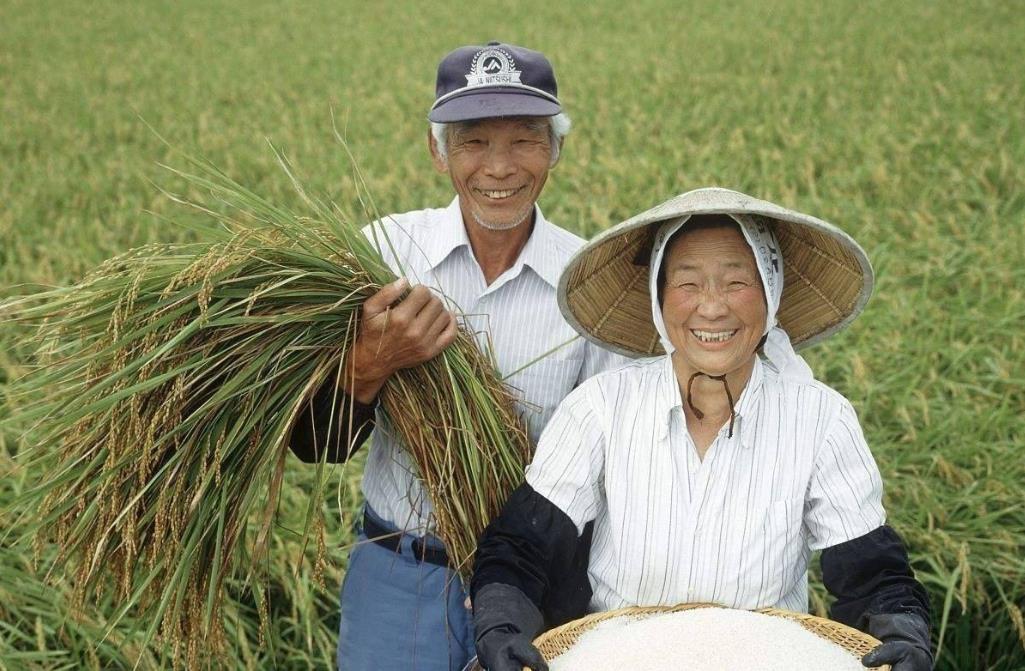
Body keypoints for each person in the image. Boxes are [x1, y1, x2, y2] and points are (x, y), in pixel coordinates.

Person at [471, 188, 934, 671]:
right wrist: (503, 621)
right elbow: (524, 545)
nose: (712, 309)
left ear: (770, 294)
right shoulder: (600, 407)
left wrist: (901, 628)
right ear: (659, 297)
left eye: (737, 282)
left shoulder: (820, 419)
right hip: (620, 657)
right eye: (688, 285)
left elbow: (871, 572)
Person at [287, 42, 625, 671]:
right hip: (401, 576)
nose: (499, 168)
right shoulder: (383, 253)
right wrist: (369, 362)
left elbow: (611, 469)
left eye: (525, 140)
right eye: (472, 142)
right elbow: (317, 445)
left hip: (542, 588)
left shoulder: (591, 287)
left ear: (557, 150)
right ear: (437, 153)